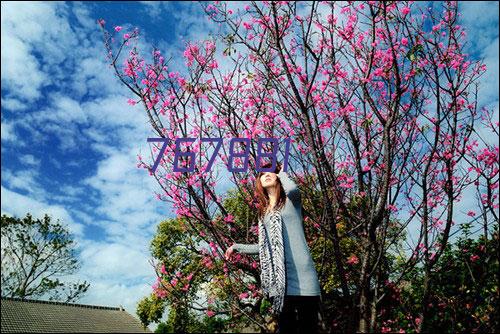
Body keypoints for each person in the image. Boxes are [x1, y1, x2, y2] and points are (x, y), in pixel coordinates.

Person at [225, 161, 321, 334]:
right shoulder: (264, 216)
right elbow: (264, 247)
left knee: (310, 328)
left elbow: (292, 189)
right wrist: (236, 247)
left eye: (271, 172)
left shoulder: (292, 202)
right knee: (286, 328)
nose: (267, 174)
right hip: (279, 282)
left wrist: (282, 172)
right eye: (263, 174)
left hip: (304, 276)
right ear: (259, 182)